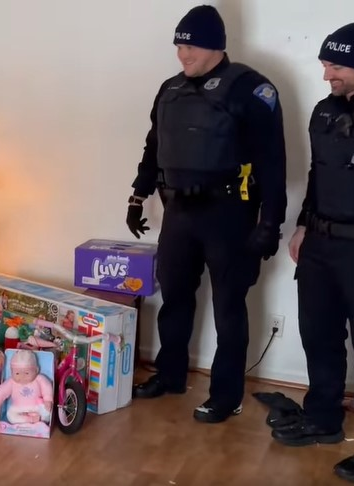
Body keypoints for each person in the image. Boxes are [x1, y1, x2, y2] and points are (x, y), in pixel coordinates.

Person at [126, 5, 287, 423]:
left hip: (229, 213)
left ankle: (226, 395)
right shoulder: (170, 89)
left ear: (216, 46)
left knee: (229, 307)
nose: (183, 54)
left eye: (191, 45)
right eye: (179, 45)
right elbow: (153, 146)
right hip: (178, 211)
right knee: (174, 297)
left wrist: (271, 223)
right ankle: (171, 374)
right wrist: (138, 194)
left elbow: (273, 162)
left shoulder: (251, 89)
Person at [273, 23, 354, 482]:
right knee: (319, 334)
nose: (327, 76)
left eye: (337, 66)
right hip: (321, 243)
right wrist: (304, 224)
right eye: (325, 65)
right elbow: (318, 174)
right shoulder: (325, 112)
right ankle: (323, 417)